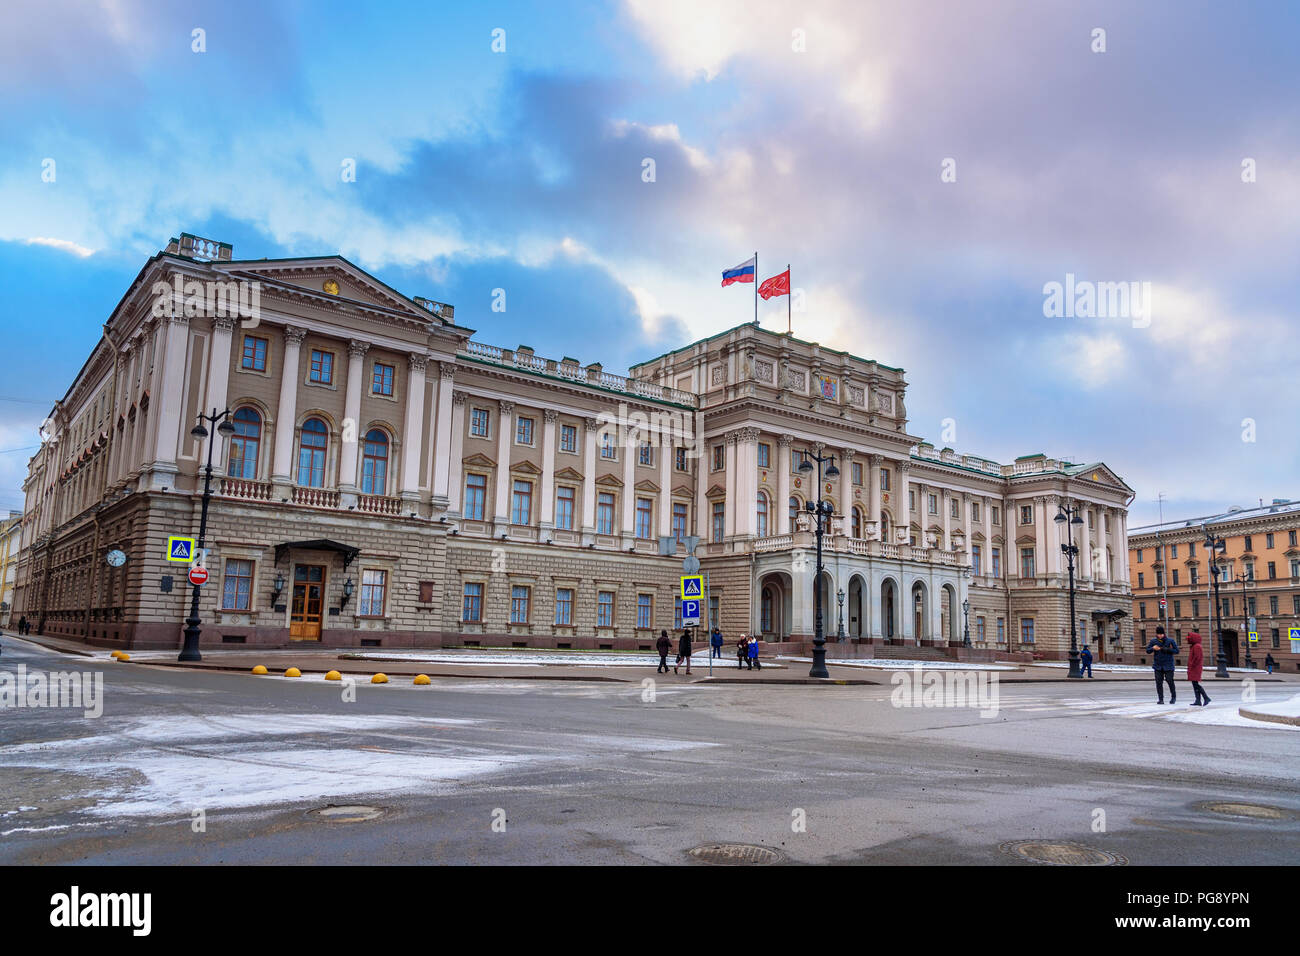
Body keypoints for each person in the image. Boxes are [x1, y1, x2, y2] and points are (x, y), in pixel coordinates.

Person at [1145, 625, 1179, 704]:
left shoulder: (1170, 641)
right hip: (1158, 666)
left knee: (1170, 681)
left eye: (1161, 634)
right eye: (1158, 634)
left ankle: (1173, 697)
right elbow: (1147, 651)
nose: (1160, 636)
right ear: (1156, 634)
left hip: (1168, 665)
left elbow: (1177, 651)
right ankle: (1161, 699)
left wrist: (1167, 649)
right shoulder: (1153, 641)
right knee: (1158, 682)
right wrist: (1153, 648)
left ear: (1164, 634)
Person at [1186, 630, 1210, 706]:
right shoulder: (1194, 646)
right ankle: (1198, 700)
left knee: (1196, 684)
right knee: (1194, 684)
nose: (1188, 639)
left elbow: (1197, 658)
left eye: (1189, 638)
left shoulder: (1197, 646)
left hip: (1195, 668)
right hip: (1194, 668)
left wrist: (1191, 665)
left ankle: (1206, 698)